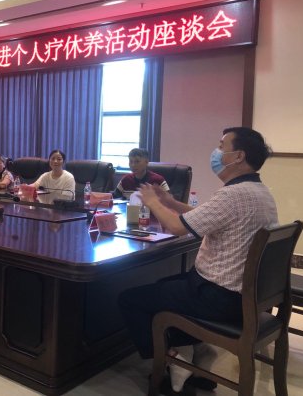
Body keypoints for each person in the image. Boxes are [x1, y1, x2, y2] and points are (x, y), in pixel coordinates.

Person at [118, 127, 278, 393]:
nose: (216, 152)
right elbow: (202, 215)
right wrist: (169, 201)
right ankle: (197, 351)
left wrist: (152, 202)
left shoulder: (233, 195)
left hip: (219, 296)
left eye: (222, 146)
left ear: (238, 156)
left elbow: (177, 228)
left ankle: (173, 361)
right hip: (242, 295)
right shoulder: (259, 191)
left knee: (130, 299)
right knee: (162, 285)